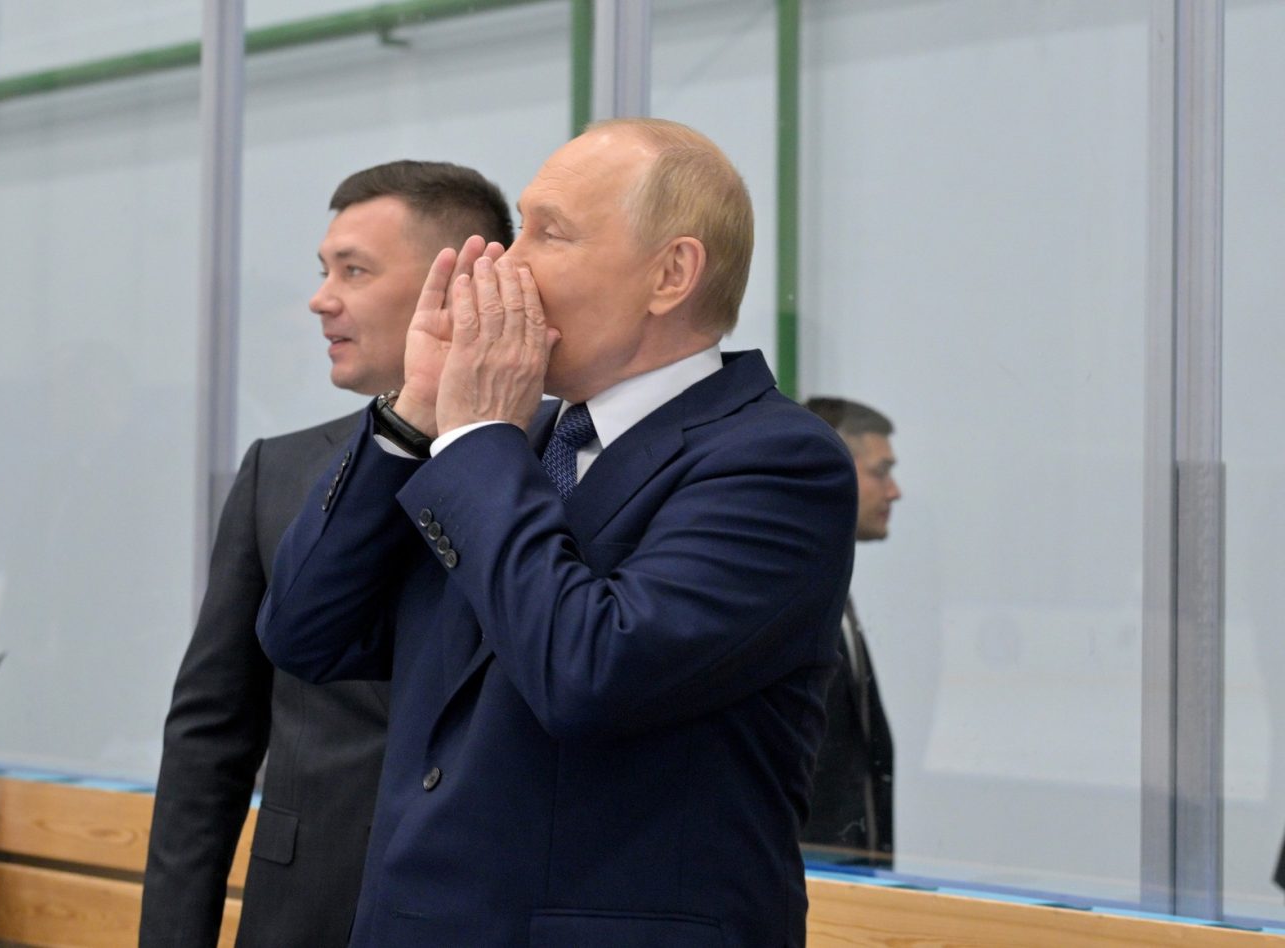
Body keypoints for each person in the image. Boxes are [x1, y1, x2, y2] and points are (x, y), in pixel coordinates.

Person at [258, 118, 857, 947]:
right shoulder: (510, 442)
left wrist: (475, 439)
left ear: (671, 274)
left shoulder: (776, 461)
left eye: (550, 234)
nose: (506, 264)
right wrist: (413, 415)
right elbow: (304, 632)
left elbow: (591, 672)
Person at [140, 161, 513, 947]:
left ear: (460, 283)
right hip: (306, 910)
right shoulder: (279, 471)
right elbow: (210, 737)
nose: (321, 299)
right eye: (324, 271)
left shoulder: (556, 465)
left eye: (355, 271)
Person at [800, 396, 900, 867]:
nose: (895, 491)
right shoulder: (789, 595)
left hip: (849, 882)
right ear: (830, 467)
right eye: (882, 472)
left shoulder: (831, 583)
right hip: (810, 884)